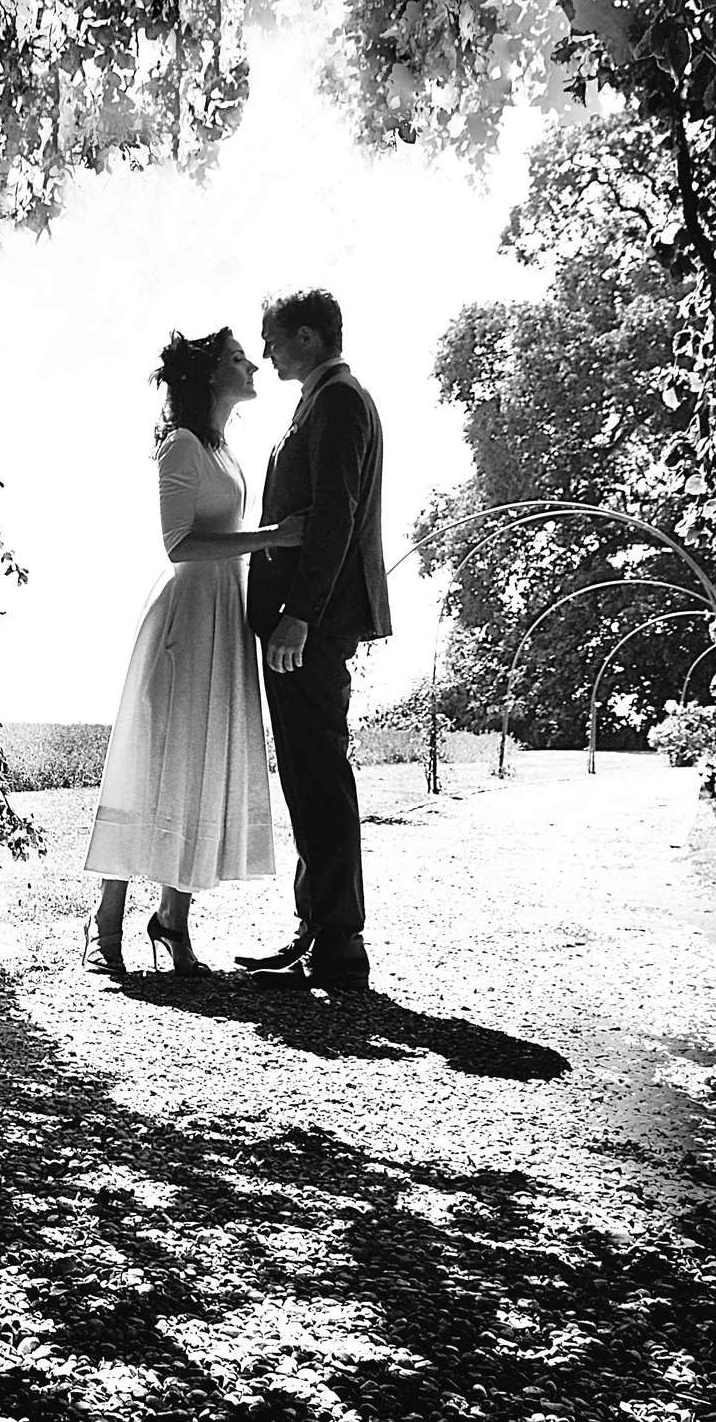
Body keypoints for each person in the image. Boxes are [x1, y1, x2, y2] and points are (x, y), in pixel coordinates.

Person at [82, 329, 303, 978]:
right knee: (157, 761)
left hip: (222, 617)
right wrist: (272, 537)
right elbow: (177, 544)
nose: (253, 363)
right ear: (210, 375)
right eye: (239, 358)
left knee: (202, 760)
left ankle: (172, 918)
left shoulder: (225, 450)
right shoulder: (180, 444)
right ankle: (107, 916)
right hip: (184, 619)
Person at [238, 288, 391, 992]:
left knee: (319, 773)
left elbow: (335, 514)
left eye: (272, 341)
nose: (266, 354)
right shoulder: (322, 400)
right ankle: (318, 931)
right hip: (304, 619)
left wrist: (300, 611)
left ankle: (338, 943)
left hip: (314, 623)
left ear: (306, 336)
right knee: (303, 771)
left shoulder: (339, 401)